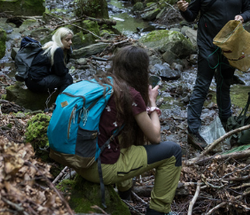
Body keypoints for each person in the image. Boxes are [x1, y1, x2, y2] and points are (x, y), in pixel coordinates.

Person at [76, 46, 183, 215]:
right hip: (99, 169)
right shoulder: (130, 95)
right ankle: (158, 211)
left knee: (126, 142)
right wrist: (153, 103)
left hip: (79, 160)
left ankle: (124, 198)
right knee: (173, 152)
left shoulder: (102, 83)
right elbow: (155, 137)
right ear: (140, 70)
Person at [177, 0, 250, 150]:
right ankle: (193, 131)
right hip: (207, 45)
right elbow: (191, 16)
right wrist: (184, 10)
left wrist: (242, 17)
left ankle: (227, 125)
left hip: (231, 46)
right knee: (202, 85)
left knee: (224, 85)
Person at [25, 27, 74, 93]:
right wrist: (66, 71)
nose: (70, 42)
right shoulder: (58, 50)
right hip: (36, 83)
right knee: (67, 78)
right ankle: (62, 102)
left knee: (65, 78)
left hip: (30, 81)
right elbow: (60, 72)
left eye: (71, 39)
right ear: (60, 40)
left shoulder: (50, 46)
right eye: (67, 40)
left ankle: (56, 95)